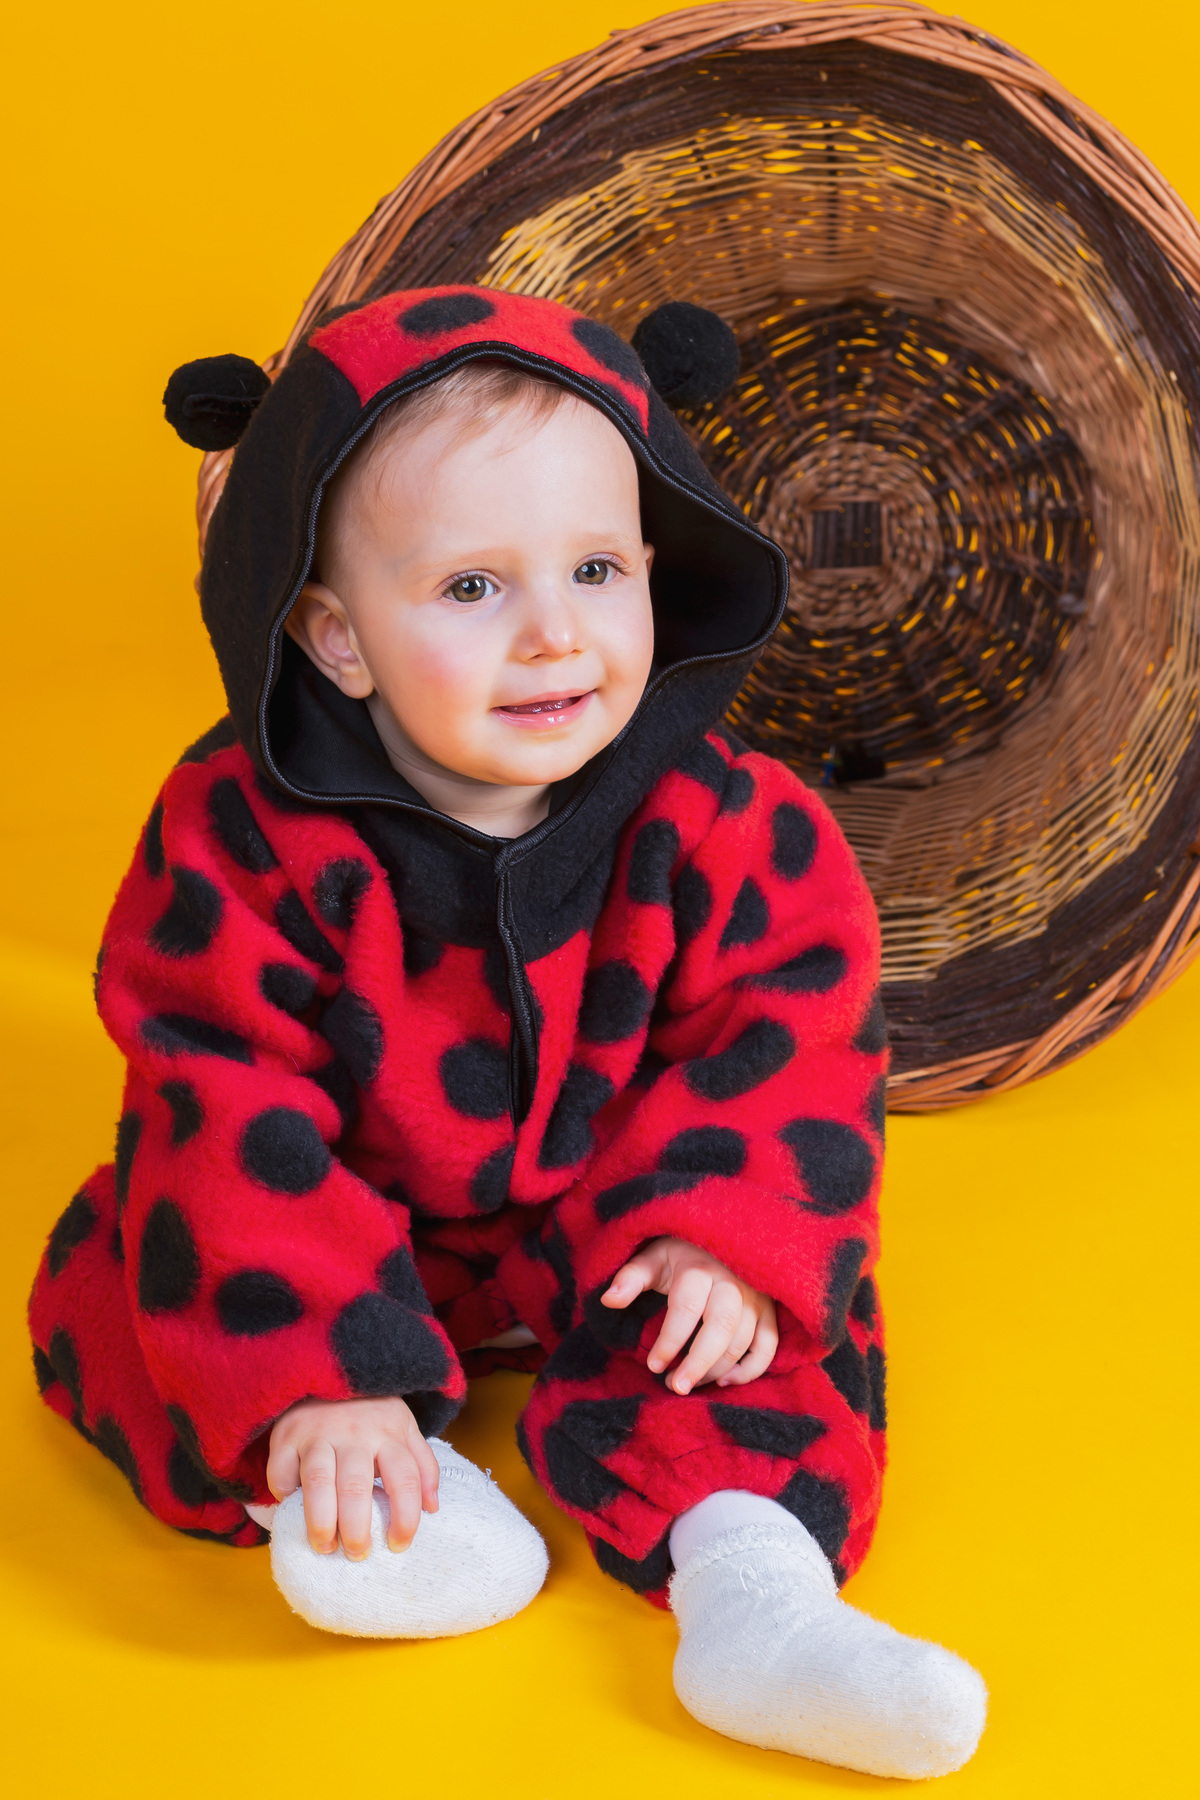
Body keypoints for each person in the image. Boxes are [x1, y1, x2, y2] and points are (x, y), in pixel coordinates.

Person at [28, 287, 985, 1778]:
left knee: (768, 1320)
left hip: (615, 1217)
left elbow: (793, 1037)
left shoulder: (724, 820)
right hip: (355, 1221)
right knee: (132, 1277)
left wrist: (720, 1236)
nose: (555, 634)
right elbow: (220, 1088)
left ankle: (756, 1597)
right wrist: (318, 1371)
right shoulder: (239, 838)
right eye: (473, 589)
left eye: (598, 567)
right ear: (337, 639)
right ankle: (350, 1489)